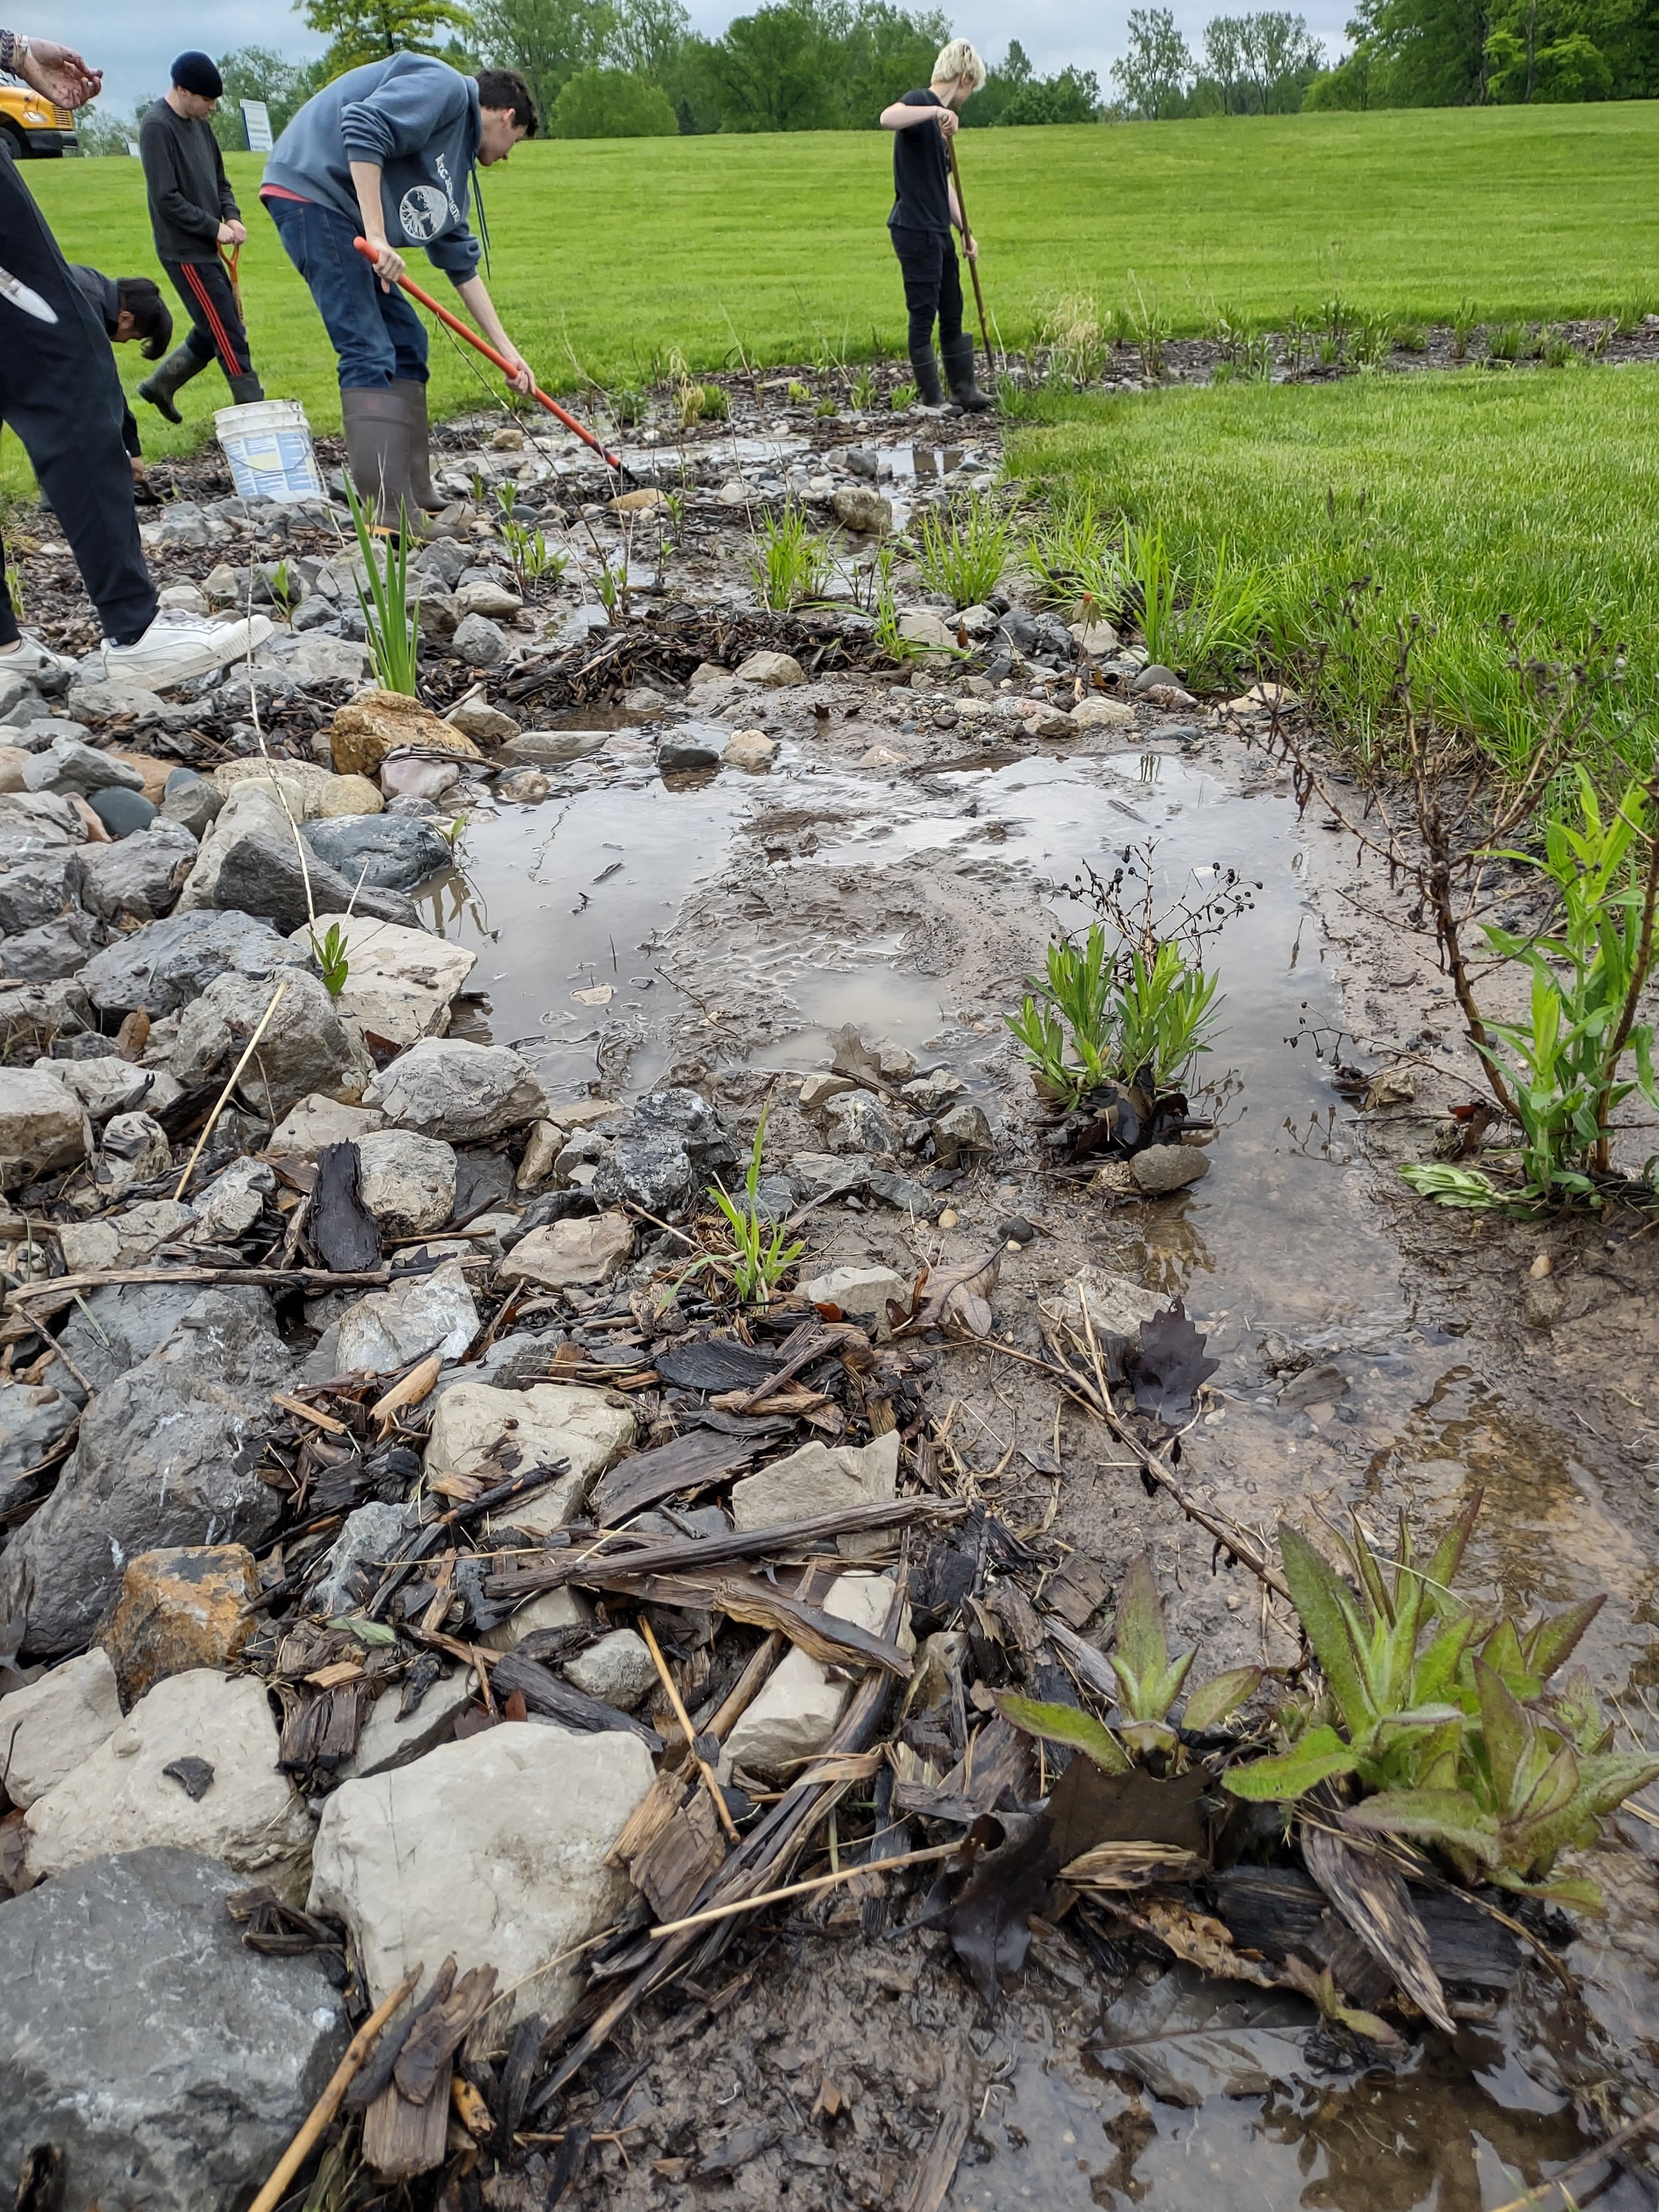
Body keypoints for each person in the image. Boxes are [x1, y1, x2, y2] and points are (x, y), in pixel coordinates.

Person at [0, 27, 269, 686]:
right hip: (184, 250)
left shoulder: (201, 133)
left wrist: (11, 52)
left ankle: (2, 649)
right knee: (65, 355)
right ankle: (135, 632)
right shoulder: (156, 130)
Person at [261, 57, 538, 528]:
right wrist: (377, 236)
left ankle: (416, 492)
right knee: (367, 348)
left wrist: (505, 350)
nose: (509, 154)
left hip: (342, 213)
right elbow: (363, 124)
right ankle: (387, 513)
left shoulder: (453, 160)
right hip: (313, 197)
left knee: (408, 343)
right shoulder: (447, 88)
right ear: (509, 117)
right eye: (516, 142)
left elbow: (459, 261)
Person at [137, 52, 263, 423]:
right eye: (207, 100)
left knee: (216, 326)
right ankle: (254, 408)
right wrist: (213, 227)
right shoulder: (157, 127)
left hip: (207, 246)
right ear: (182, 90)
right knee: (227, 330)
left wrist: (233, 217)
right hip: (184, 251)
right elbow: (166, 199)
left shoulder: (200, 124)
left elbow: (220, 180)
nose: (211, 108)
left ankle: (160, 385)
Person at [879, 39, 993, 414]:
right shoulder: (919, 101)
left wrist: (966, 230)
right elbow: (887, 118)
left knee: (952, 306)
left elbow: (944, 185)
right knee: (923, 312)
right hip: (913, 228)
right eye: (971, 89)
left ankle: (964, 389)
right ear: (963, 78)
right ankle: (933, 399)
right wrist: (933, 112)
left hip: (938, 230)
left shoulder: (940, 128)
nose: (968, 97)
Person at [68, 268, 171, 490]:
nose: (125, 342)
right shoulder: (89, 310)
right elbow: (104, 385)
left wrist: (132, 449)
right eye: (133, 337)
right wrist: (131, 454)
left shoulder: (96, 284)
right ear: (126, 318)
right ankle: (60, 492)